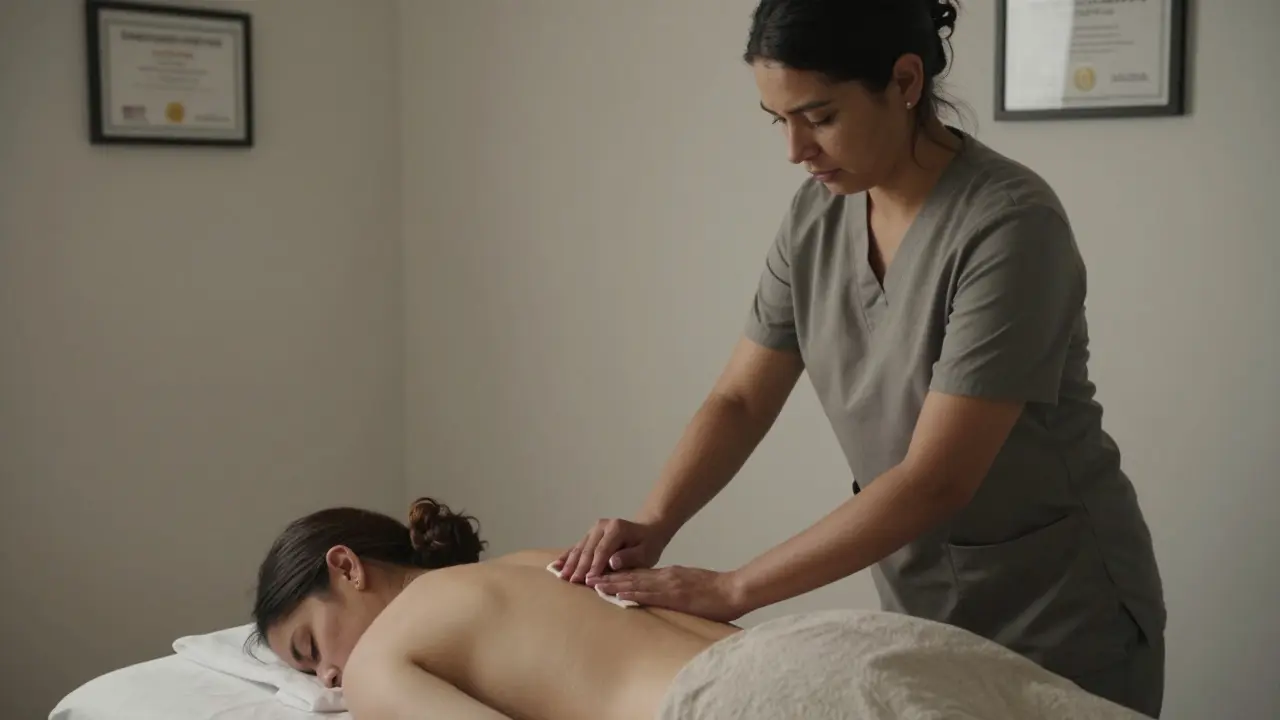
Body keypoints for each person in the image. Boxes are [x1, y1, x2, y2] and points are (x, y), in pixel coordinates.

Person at [554, 0, 1166, 716]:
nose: (795, 150)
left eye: (819, 117)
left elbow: (935, 480)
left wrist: (733, 589)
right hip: (920, 604)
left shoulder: (1010, 226)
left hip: (1059, 610)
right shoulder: (816, 216)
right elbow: (740, 400)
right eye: (777, 120)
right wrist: (653, 524)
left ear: (905, 82)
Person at [250, 497, 1156, 720]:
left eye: (306, 648)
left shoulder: (378, 663)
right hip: (837, 644)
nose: (327, 677)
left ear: (348, 569)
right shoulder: (531, 562)